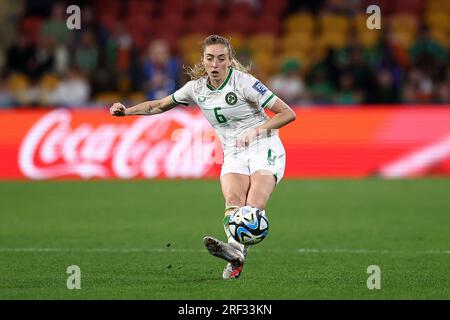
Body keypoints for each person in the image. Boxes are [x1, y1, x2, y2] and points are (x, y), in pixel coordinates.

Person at [109, 35, 296, 279]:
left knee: (253, 205)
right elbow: (158, 106)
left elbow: (287, 113)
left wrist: (255, 131)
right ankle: (236, 255)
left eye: (221, 59)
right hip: (233, 151)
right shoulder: (195, 89)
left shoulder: (245, 83)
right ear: (203, 61)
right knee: (233, 200)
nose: (215, 64)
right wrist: (126, 111)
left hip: (264, 144)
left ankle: (236, 251)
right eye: (210, 59)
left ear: (229, 61)